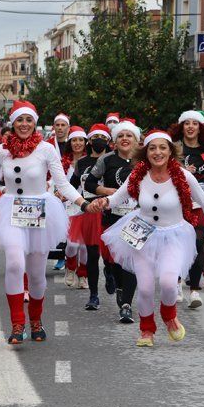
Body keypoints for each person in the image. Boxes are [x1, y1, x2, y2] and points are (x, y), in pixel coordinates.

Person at [90, 130, 204, 346]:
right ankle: (147, 329)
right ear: (145, 152)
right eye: (152, 148)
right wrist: (102, 202)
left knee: (169, 283)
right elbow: (116, 198)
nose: (157, 152)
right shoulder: (138, 175)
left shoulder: (183, 175)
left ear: (170, 151)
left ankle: (169, 315)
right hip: (143, 235)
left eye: (162, 148)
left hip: (174, 235)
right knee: (146, 287)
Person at [0, 100, 87, 345]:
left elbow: (61, 184)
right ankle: (17, 324)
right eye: (20, 120)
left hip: (39, 212)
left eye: (29, 120)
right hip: (10, 211)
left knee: (38, 274)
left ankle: (36, 320)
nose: (24, 124)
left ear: (35, 123)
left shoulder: (46, 149)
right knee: (15, 264)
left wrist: (83, 203)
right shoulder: (0, 151)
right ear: (12, 123)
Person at [84, 118, 141, 323]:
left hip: (138, 219)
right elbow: (89, 183)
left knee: (132, 262)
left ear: (136, 140)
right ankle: (118, 285)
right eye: (120, 136)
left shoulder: (145, 160)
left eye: (129, 135)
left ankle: (126, 305)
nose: (125, 139)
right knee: (116, 261)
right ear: (114, 141)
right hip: (113, 218)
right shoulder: (106, 160)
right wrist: (105, 191)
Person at [168, 110, 204, 309]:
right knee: (180, 245)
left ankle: (194, 291)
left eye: (195, 123)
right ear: (182, 127)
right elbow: (163, 171)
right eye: (187, 123)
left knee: (198, 246)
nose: (191, 127)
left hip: (202, 202)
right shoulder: (174, 149)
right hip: (178, 202)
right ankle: (177, 283)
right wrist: (181, 173)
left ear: (200, 128)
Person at [69, 123, 109, 310]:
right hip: (90, 211)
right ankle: (93, 295)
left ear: (108, 141)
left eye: (103, 138)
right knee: (93, 254)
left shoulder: (113, 160)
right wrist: (62, 195)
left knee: (111, 254)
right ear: (89, 141)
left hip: (111, 210)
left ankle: (110, 273)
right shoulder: (82, 163)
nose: (98, 142)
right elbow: (72, 185)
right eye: (94, 138)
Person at [58, 126, 89, 288]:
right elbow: (57, 182)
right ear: (70, 143)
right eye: (74, 140)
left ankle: (83, 274)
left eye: (81, 140)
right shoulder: (63, 163)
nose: (77, 143)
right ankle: (70, 267)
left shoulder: (91, 161)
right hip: (69, 206)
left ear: (85, 142)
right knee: (72, 244)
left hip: (87, 206)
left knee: (84, 245)